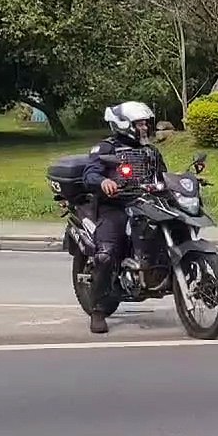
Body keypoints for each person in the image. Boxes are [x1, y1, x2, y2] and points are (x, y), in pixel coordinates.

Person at [80, 100, 167, 335]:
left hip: (146, 204)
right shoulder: (106, 149)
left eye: (145, 124)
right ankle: (97, 310)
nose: (144, 128)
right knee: (106, 255)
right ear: (124, 125)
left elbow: (164, 177)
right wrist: (104, 181)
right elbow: (90, 174)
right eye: (139, 124)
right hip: (114, 206)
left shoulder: (150, 151)